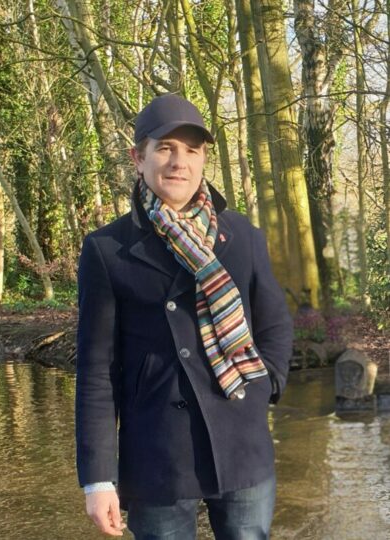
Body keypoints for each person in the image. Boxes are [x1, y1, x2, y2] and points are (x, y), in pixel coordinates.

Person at [76, 93, 293, 540]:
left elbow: (274, 324)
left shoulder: (243, 238)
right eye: (166, 148)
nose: (180, 162)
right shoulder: (107, 249)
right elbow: (97, 371)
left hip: (242, 442)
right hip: (157, 452)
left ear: (204, 160)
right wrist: (98, 480)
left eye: (192, 150)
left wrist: (264, 386)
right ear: (139, 158)